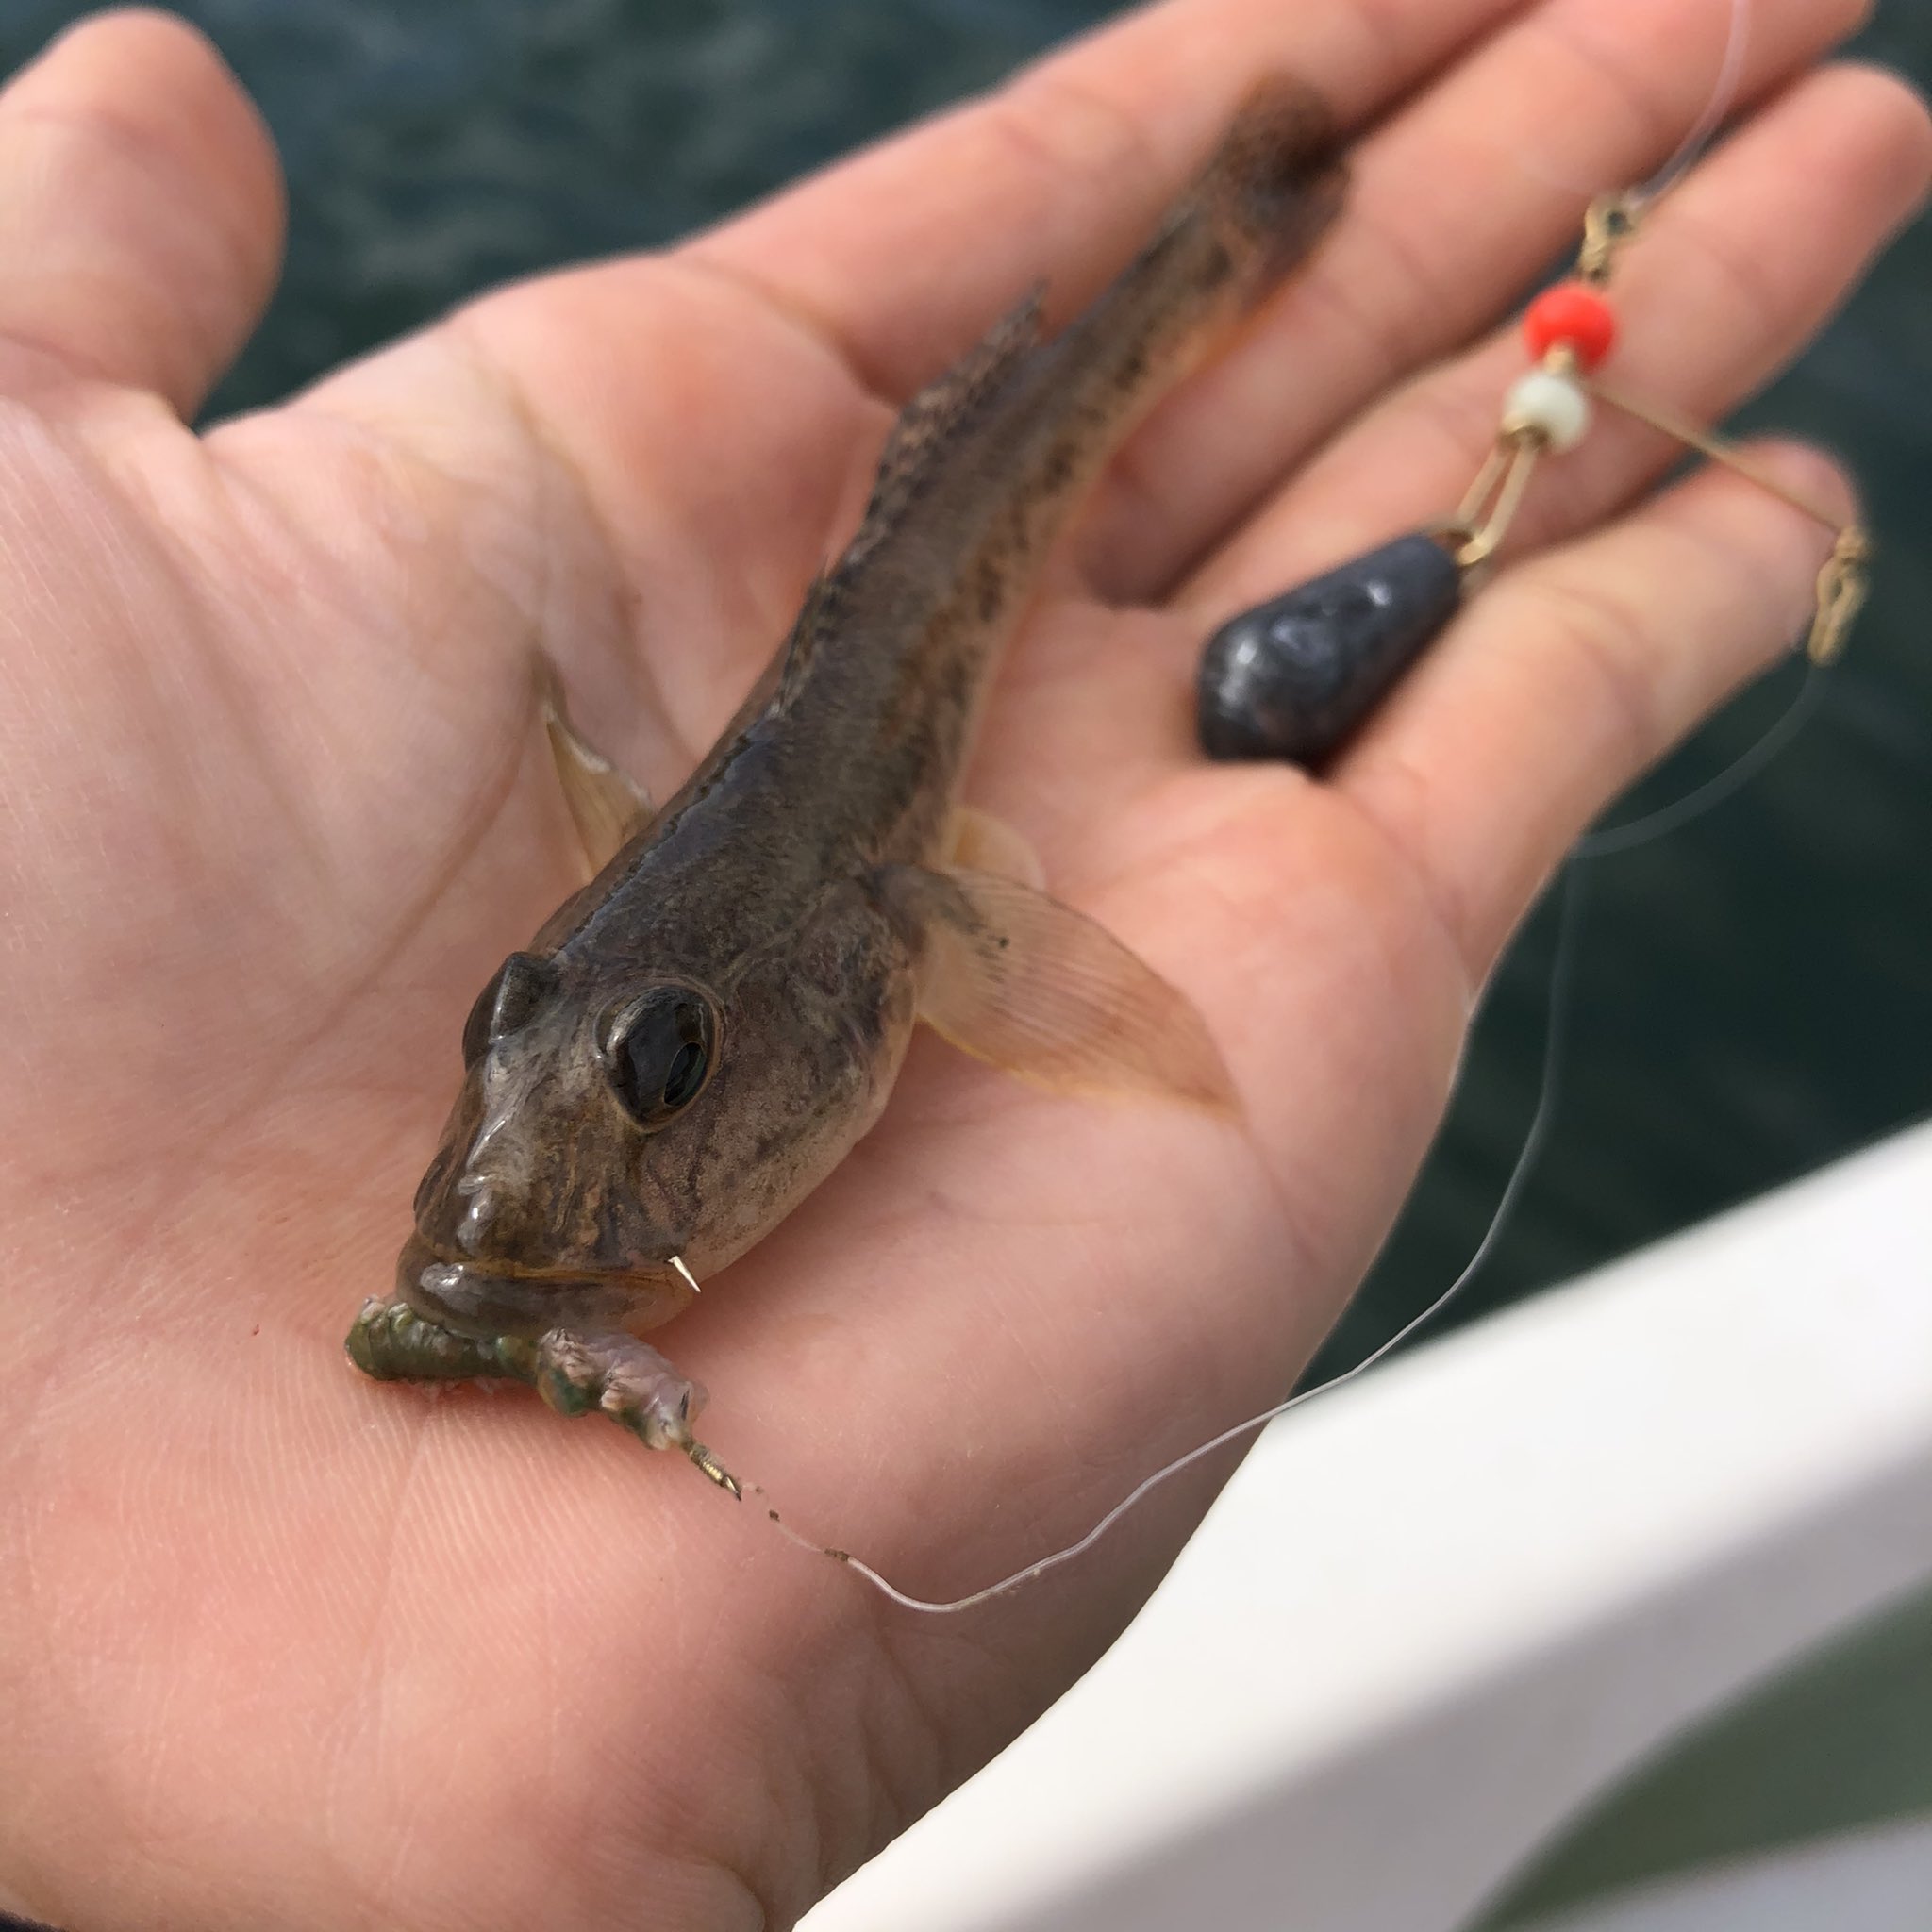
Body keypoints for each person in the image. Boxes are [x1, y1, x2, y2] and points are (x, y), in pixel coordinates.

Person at [0, 2, 1924, 1926]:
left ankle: (1224, 243)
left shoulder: (882, 924)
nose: (515, 1184)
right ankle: (1217, 239)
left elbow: (920, 938)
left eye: (664, 1070)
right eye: (528, 1037)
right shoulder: (564, 1126)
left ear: (875, 965)